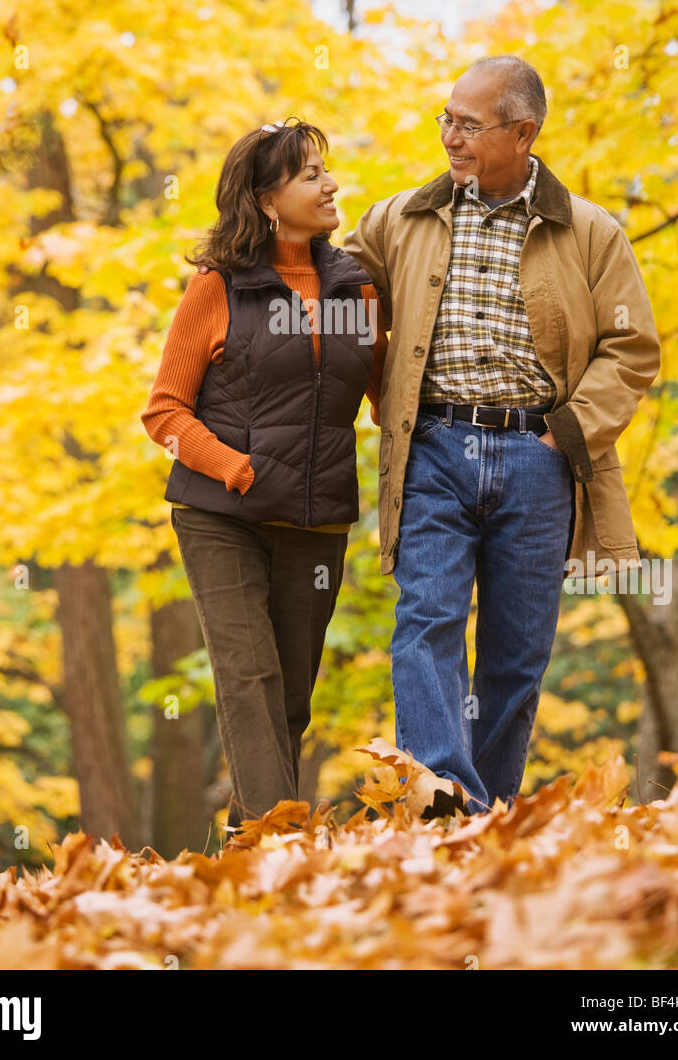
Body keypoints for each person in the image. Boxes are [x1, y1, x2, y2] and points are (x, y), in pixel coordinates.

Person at [342, 55, 661, 815]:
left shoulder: (590, 232)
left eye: (469, 124)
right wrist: (378, 385)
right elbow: (342, 296)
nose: (450, 136)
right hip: (434, 450)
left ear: (524, 133)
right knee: (427, 621)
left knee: (517, 654)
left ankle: (487, 815)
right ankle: (441, 798)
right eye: (446, 118)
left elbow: (632, 347)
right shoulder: (398, 218)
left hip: (538, 459)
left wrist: (567, 434)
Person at [141, 117, 387, 833]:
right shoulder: (221, 288)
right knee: (249, 682)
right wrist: (235, 469)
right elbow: (164, 411)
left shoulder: (357, 290)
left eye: (326, 169)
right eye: (310, 174)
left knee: (291, 703)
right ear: (267, 201)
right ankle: (284, 850)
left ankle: (249, 860)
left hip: (317, 521)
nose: (330, 183)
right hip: (222, 515)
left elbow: (386, 398)